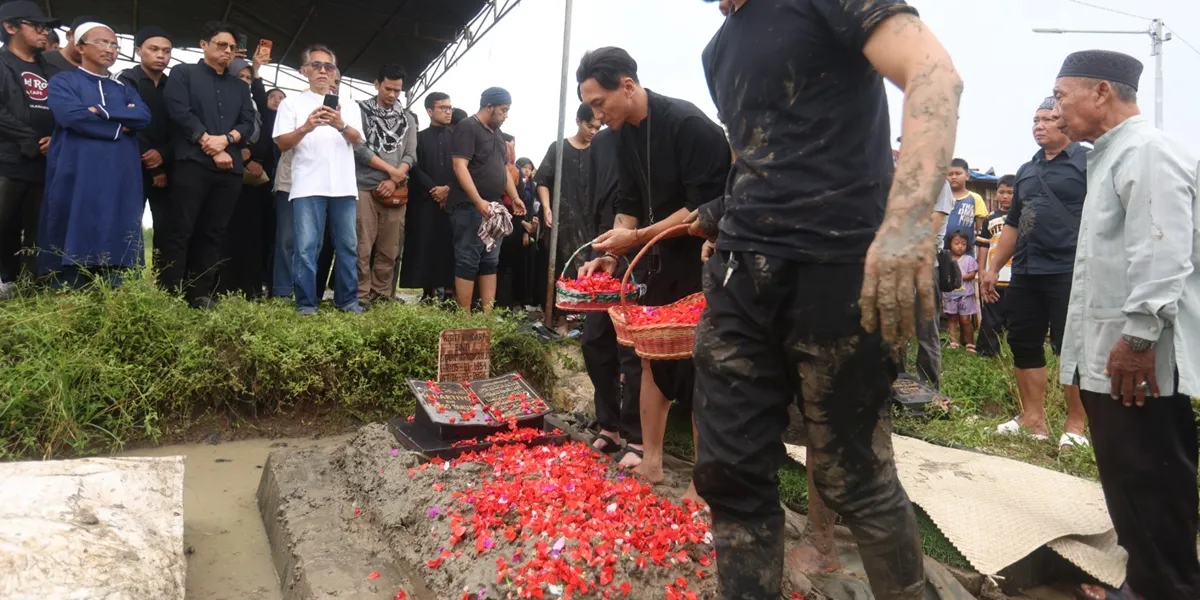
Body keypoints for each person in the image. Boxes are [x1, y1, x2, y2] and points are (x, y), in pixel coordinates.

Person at [691, 1, 962, 598]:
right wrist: (718, 222)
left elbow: (934, 72)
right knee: (729, 470)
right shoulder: (718, 49)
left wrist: (910, 220)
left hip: (840, 270)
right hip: (743, 274)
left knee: (854, 475)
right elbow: (753, 156)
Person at [1052, 49, 1199, 600]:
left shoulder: (1147, 153)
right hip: (1115, 353)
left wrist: (1137, 338)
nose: (1056, 108)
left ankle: (1167, 590)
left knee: (1150, 476)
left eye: (1062, 95)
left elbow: (1161, 255)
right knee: (1132, 475)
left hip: (1138, 358)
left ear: (1101, 93)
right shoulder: (1112, 156)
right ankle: (1150, 583)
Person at [577, 48, 729, 509]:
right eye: (592, 108)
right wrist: (613, 255)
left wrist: (639, 236)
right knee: (649, 355)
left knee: (703, 367)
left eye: (601, 103)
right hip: (656, 256)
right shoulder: (623, 135)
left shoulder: (687, 124)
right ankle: (653, 460)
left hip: (702, 256)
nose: (597, 116)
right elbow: (627, 200)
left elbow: (704, 209)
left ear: (627, 85)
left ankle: (703, 482)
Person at [980, 97, 1089, 449]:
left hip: (1070, 269)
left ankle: (1075, 427)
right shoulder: (1027, 170)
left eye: (1048, 119)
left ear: (1066, 122)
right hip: (1026, 271)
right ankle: (1033, 420)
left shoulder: (1089, 161)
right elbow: (1012, 224)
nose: (1039, 125)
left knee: (1070, 346)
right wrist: (993, 267)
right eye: (1035, 119)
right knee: (1023, 342)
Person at [37, 22, 150, 287]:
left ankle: (116, 290)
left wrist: (101, 112)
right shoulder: (63, 80)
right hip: (78, 166)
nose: (109, 49)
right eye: (101, 42)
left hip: (120, 169)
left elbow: (143, 116)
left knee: (118, 220)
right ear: (80, 46)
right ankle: (70, 289)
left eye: (114, 45)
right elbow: (72, 116)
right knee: (75, 218)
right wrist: (120, 126)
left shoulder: (124, 88)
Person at [160, 21, 256, 309]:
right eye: (221, 45)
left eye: (232, 48)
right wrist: (208, 143)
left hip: (229, 170)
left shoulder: (239, 86)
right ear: (204, 44)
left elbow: (248, 122)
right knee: (181, 228)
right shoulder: (183, 73)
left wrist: (226, 140)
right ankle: (170, 291)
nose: (227, 52)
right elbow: (179, 110)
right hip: (192, 163)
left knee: (214, 232)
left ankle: (201, 293)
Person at [273, 44, 364, 315]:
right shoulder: (291, 104)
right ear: (304, 71)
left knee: (348, 246)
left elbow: (359, 141)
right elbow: (282, 144)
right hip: (307, 185)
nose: (323, 71)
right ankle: (306, 303)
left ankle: (347, 301)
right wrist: (306, 126)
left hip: (345, 186)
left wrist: (341, 124)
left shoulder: (349, 105)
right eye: (316, 65)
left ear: (335, 73)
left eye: (329, 66)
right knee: (306, 248)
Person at [580, 126, 644, 457]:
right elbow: (595, 193)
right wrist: (597, 246)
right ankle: (610, 425)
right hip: (605, 242)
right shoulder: (601, 141)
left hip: (640, 245)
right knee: (594, 338)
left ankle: (636, 435)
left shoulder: (649, 135)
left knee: (631, 346)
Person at [447, 86, 526, 313]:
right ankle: (464, 318)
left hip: (494, 207)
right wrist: (478, 201)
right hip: (468, 206)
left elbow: (503, 169)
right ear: (489, 107)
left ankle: (487, 318)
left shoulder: (498, 135)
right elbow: (459, 166)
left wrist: (515, 196)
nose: (505, 115)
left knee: (490, 261)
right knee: (468, 259)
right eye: (503, 110)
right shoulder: (467, 127)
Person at [0, 0, 59, 284]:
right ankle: (5, 280)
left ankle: (32, 282)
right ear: (10, 27)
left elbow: (65, 110)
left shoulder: (51, 69)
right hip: (8, 160)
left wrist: (56, 137)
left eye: (45, 26)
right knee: (4, 222)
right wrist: (31, 139)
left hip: (45, 161)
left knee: (39, 225)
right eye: (36, 25)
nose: (43, 31)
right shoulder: (2, 64)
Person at [354, 64, 416, 305]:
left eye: (397, 90)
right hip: (363, 186)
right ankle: (360, 296)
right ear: (376, 83)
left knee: (389, 248)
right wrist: (391, 172)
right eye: (388, 88)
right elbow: (359, 148)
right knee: (362, 246)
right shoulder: (360, 111)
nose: (392, 95)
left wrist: (393, 179)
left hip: (396, 190)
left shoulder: (408, 118)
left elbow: (410, 154)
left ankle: (381, 295)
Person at [214, 57, 273, 299]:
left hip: (253, 182)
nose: (246, 82)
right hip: (226, 171)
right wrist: (242, 156)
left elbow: (266, 131)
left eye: (249, 78)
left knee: (252, 234)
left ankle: (250, 287)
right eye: (241, 77)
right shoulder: (221, 100)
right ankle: (222, 286)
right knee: (225, 231)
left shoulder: (255, 108)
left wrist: (256, 159)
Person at [119, 26, 174, 274]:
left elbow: (181, 126)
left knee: (167, 225)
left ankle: (163, 279)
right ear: (139, 50)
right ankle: (126, 279)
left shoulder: (174, 86)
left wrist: (163, 155)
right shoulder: (125, 79)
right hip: (130, 163)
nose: (160, 55)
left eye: (166, 51)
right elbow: (125, 121)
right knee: (128, 223)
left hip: (167, 165)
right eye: (154, 49)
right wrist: (152, 162)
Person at [535, 103, 602, 282]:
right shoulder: (558, 148)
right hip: (562, 219)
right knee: (560, 269)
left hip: (591, 220)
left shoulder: (600, 150)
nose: (593, 132)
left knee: (590, 269)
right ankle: (558, 309)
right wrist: (547, 207)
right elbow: (542, 181)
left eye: (598, 127)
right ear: (578, 121)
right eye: (590, 126)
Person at [402, 91, 456, 303]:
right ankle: (427, 291)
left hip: (451, 200)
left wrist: (448, 189)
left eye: (450, 108)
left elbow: (463, 168)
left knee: (448, 245)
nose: (448, 112)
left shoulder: (458, 138)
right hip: (425, 200)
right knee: (424, 242)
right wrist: (434, 189)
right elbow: (414, 166)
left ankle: (449, 293)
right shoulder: (419, 138)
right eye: (443, 108)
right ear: (430, 111)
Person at [974, 174, 1014, 357]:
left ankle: (1016, 352)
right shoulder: (991, 218)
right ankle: (987, 352)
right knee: (991, 315)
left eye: (1010, 193)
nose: (1005, 196)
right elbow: (983, 245)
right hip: (994, 277)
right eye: (1001, 192)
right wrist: (982, 270)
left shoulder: (1023, 216)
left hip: (1016, 277)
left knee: (1017, 317)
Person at [943, 232, 978, 352]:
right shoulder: (946, 259)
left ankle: (970, 344)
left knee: (965, 320)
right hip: (950, 295)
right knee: (952, 318)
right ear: (950, 244)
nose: (960, 246)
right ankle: (953, 342)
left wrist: (961, 276)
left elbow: (973, 274)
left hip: (965, 295)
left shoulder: (969, 259)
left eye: (963, 244)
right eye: (956, 243)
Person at [944, 157, 988, 251]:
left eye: (958, 173)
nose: (954, 177)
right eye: (950, 174)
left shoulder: (975, 198)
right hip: (941, 251)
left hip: (966, 254)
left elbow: (982, 232)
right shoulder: (940, 198)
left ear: (967, 176)